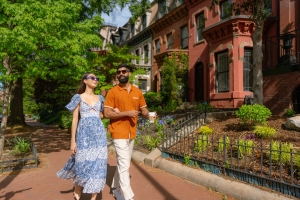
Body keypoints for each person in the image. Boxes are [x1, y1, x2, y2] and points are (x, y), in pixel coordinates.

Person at [104, 64, 153, 200]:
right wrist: (126, 113)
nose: (121, 74)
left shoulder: (137, 92)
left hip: (131, 132)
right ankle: (126, 195)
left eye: (124, 71)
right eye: (119, 72)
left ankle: (114, 188)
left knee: (122, 163)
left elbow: (143, 109)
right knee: (125, 163)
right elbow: (107, 113)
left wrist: (148, 114)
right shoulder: (113, 92)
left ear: (129, 73)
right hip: (118, 131)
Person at [57, 72, 107, 200]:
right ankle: (78, 187)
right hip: (83, 135)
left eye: (97, 78)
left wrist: (113, 111)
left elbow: (101, 115)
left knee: (99, 165)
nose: (95, 80)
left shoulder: (100, 98)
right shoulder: (78, 97)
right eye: (92, 78)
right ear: (85, 81)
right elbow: (75, 120)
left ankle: (93, 197)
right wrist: (72, 141)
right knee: (82, 163)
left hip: (99, 135)